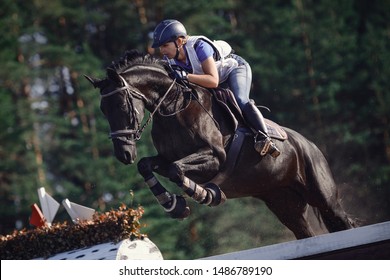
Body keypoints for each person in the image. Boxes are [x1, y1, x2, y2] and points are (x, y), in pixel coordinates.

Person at [151, 19, 280, 158]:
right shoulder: (170, 61)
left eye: (165, 45)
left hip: (234, 70)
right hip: (213, 81)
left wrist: (186, 76)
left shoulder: (199, 46)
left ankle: (264, 138)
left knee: (241, 100)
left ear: (180, 41)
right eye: (160, 47)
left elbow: (213, 80)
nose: (162, 51)